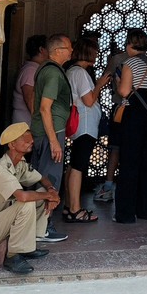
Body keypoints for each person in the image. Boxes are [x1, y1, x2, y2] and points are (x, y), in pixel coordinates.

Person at [0, 122, 61, 274]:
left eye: (30, 138)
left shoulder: (19, 164)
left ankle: (27, 246)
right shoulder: (0, 170)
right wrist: (51, 196)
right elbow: (22, 196)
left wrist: (51, 191)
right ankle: (13, 256)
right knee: (26, 203)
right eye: (25, 138)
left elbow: (43, 178)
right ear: (12, 144)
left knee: (40, 196)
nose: (31, 141)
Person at [114, 28, 147, 224]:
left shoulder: (130, 62)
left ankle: (125, 214)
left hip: (134, 113)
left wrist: (118, 81)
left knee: (129, 162)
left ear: (129, 44)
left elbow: (125, 91)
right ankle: (146, 210)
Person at [29, 33, 73, 241]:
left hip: (43, 132)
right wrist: (55, 141)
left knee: (40, 177)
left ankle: (36, 226)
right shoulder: (53, 74)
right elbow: (45, 108)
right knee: (49, 179)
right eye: (68, 48)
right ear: (57, 51)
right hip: (50, 133)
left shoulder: (45, 69)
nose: (71, 51)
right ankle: (43, 227)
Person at [63, 37, 112, 222]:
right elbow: (89, 100)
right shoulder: (80, 73)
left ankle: (69, 207)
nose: (97, 55)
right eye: (96, 52)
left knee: (74, 164)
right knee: (78, 166)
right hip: (85, 125)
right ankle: (76, 210)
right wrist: (99, 85)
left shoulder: (72, 71)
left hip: (81, 125)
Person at [93, 41, 127, 204]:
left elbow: (105, 79)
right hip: (142, 110)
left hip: (120, 108)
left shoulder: (117, 59)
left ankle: (108, 186)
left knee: (115, 147)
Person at [12, 35, 48, 125]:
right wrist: (40, 123)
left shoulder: (35, 68)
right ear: (41, 49)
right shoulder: (30, 71)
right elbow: (30, 100)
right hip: (26, 124)